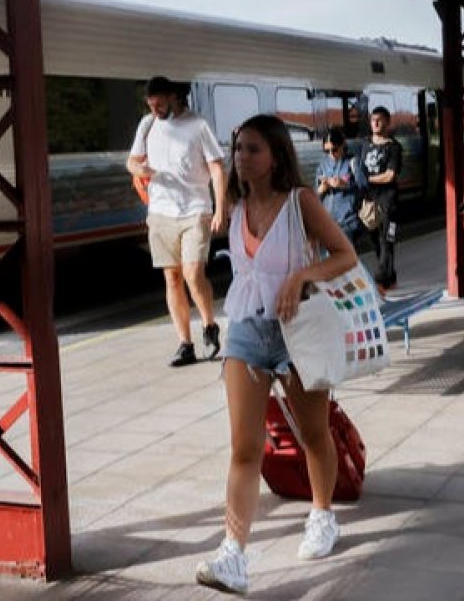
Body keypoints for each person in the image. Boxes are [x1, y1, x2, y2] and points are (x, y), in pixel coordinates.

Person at [195, 114, 357, 594]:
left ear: (276, 156)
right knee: (245, 449)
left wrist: (299, 276)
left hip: (298, 333)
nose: (240, 157)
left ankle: (323, 515)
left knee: (312, 434)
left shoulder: (300, 203)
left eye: (252, 149)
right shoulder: (237, 206)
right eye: (237, 148)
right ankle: (233, 555)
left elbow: (344, 254)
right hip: (247, 331)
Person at [126, 76, 228, 367]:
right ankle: (185, 344)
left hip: (195, 210)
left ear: (173, 97)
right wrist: (140, 168)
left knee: (193, 274)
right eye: (151, 105)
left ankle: (209, 324)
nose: (155, 110)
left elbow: (217, 169)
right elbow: (131, 162)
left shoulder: (198, 126)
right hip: (160, 212)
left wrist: (220, 208)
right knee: (171, 277)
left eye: (159, 104)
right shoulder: (147, 125)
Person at [352, 106, 402, 292]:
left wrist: (368, 178)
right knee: (375, 241)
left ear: (387, 122)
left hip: (389, 202)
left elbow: (390, 175)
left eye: (379, 120)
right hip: (369, 200)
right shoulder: (365, 144)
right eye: (373, 120)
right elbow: (358, 169)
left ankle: (381, 280)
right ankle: (390, 275)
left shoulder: (394, 147)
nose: (375, 123)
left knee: (387, 239)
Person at [315, 126, 362, 251]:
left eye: (334, 150)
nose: (331, 155)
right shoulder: (323, 165)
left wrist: (345, 185)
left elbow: (364, 187)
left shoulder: (352, 162)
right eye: (327, 151)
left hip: (347, 220)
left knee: (347, 263)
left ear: (343, 145)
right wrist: (321, 189)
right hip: (327, 222)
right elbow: (316, 197)